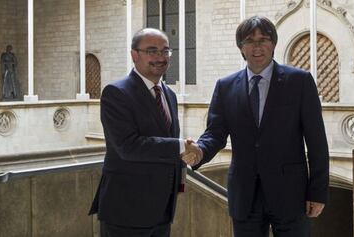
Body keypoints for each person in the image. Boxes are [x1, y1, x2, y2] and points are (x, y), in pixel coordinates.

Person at [192, 16, 329, 237]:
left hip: (291, 195)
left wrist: (318, 192)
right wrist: (199, 152)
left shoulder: (300, 81)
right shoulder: (225, 86)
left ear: (273, 44)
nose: (257, 46)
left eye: (263, 39)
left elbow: (317, 142)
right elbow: (215, 133)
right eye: (249, 41)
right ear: (241, 47)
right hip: (245, 195)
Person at [89, 28, 201, 237]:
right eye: (152, 51)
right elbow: (128, 147)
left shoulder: (169, 94)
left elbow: (164, 143)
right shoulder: (116, 92)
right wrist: (181, 145)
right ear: (134, 55)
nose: (160, 57)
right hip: (126, 210)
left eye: (165, 51)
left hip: (163, 210)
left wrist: (186, 155)